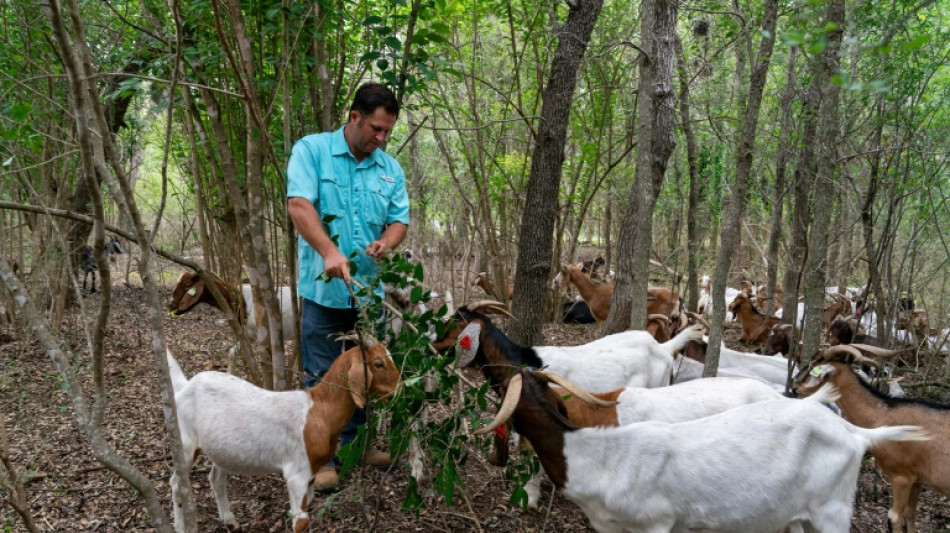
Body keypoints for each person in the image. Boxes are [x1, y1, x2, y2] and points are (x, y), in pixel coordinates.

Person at [287, 82, 409, 492]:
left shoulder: (390, 169)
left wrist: (386, 242)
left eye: (387, 131)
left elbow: (399, 221)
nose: (381, 138)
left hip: (368, 294)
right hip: (323, 294)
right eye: (376, 128)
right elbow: (298, 205)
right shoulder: (312, 151)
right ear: (354, 117)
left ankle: (358, 446)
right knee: (322, 376)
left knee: (367, 376)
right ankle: (322, 458)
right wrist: (327, 250)